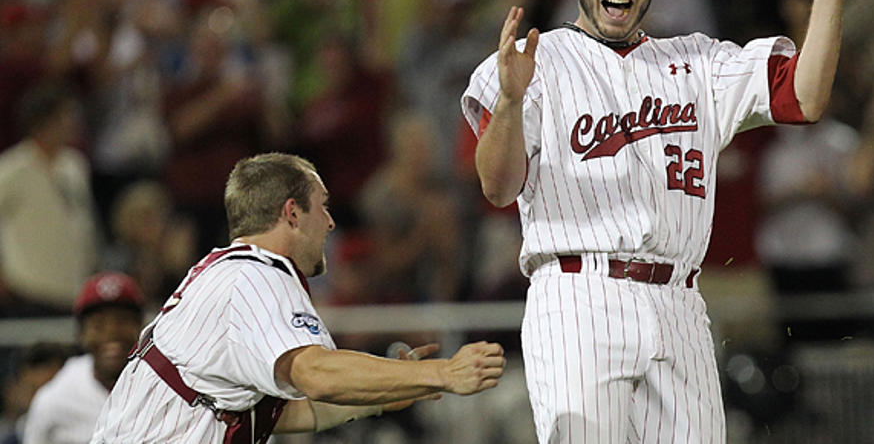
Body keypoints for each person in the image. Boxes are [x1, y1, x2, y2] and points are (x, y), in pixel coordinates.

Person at [462, 0, 865, 442]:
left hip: (680, 300)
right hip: (579, 295)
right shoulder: (539, 61)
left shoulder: (699, 61)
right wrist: (510, 103)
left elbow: (806, 96)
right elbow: (499, 187)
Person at [89, 152, 505, 443]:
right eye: (321, 206)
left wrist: (389, 391)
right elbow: (316, 374)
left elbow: (291, 413)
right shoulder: (255, 276)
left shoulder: (227, 272)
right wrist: (444, 373)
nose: (329, 221)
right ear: (291, 213)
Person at [0, 82, 100, 316]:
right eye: (67, 116)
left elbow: (84, 221)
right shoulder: (12, 169)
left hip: (73, 288)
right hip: (27, 288)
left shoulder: (75, 165)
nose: (74, 123)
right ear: (43, 121)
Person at [22, 272, 145, 444]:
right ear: (81, 334)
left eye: (122, 321)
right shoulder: (56, 396)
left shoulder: (164, 382)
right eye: (98, 324)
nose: (111, 333)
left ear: (141, 327)